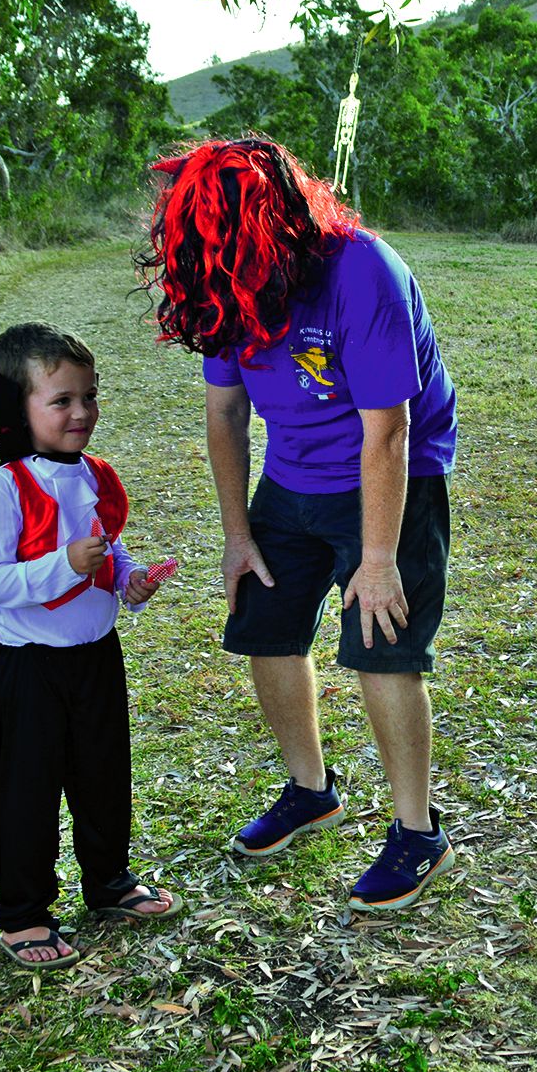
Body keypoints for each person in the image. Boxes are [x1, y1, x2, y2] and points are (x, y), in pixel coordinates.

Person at [140, 137, 458, 913]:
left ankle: (418, 832)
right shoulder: (218, 282)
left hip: (390, 474)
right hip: (291, 474)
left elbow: (388, 430)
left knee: (381, 644)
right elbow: (224, 414)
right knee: (264, 622)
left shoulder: (362, 271)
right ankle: (311, 789)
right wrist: (238, 534)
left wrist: (377, 559)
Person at [0, 323, 180, 970]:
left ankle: (107, 880)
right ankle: (23, 910)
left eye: (90, 396)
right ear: (16, 409)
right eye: (61, 400)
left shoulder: (98, 476)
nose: (81, 412)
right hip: (30, 667)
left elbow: (109, 551)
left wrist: (130, 583)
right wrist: (65, 564)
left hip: (96, 656)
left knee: (105, 776)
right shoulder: (4, 487)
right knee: (30, 788)